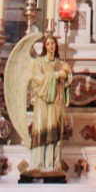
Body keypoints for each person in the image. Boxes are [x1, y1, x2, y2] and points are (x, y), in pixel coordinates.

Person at [29, 34, 72, 173]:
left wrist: (67, 74)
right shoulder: (39, 62)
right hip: (43, 103)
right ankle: (39, 163)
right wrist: (56, 75)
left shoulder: (59, 64)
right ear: (44, 46)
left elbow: (66, 83)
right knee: (43, 129)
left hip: (56, 102)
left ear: (56, 46)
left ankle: (53, 163)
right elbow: (37, 79)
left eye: (53, 43)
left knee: (55, 130)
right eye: (48, 44)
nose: (51, 46)